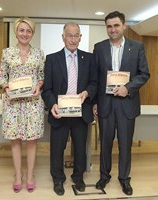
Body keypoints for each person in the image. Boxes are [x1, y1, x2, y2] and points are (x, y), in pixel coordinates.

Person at [93, 11, 150, 196]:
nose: (113, 29)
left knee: (125, 144)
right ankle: (104, 175)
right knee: (105, 144)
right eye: (109, 26)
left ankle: (124, 179)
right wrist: (94, 102)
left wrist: (128, 87)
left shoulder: (137, 47)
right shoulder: (99, 48)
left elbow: (144, 74)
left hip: (127, 103)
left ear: (124, 26)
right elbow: (96, 78)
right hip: (105, 104)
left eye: (116, 25)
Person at [41, 22, 97, 196]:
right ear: (63, 37)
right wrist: (52, 104)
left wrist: (87, 93)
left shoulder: (89, 58)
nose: (73, 39)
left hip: (81, 112)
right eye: (69, 35)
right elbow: (47, 89)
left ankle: (78, 176)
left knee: (80, 147)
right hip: (60, 113)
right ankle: (58, 179)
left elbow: (94, 82)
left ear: (80, 37)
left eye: (76, 35)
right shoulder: (51, 59)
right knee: (57, 148)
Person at [0, 17, 45, 193]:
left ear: (32, 33)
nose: (25, 34)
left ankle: (30, 175)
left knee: (32, 141)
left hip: (32, 103)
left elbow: (41, 76)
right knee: (15, 140)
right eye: (21, 30)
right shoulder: (7, 53)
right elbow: (1, 76)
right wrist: (6, 87)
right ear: (16, 32)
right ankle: (18, 175)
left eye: (28, 31)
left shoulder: (39, 53)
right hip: (13, 104)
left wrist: (39, 85)